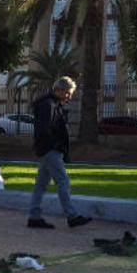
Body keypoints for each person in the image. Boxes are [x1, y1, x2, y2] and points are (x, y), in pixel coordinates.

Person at [27, 76, 91, 229]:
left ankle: (34, 217)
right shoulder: (49, 105)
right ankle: (72, 216)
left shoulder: (50, 104)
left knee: (41, 185)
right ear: (59, 90)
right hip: (50, 150)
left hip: (46, 149)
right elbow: (44, 129)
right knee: (63, 181)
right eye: (68, 93)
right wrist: (54, 145)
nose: (69, 96)